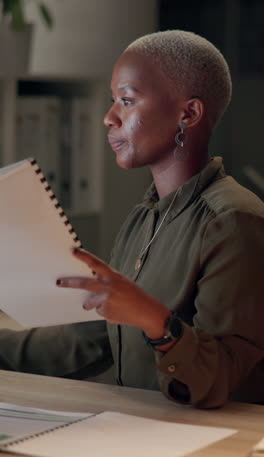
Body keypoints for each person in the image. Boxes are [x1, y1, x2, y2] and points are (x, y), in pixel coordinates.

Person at [0, 30, 263, 409]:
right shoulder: (145, 217)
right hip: (139, 434)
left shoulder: (234, 220)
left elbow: (218, 377)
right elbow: (96, 338)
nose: (109, 118)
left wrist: (154, 319)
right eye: (112, 102)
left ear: (188, 113)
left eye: (126, 101)